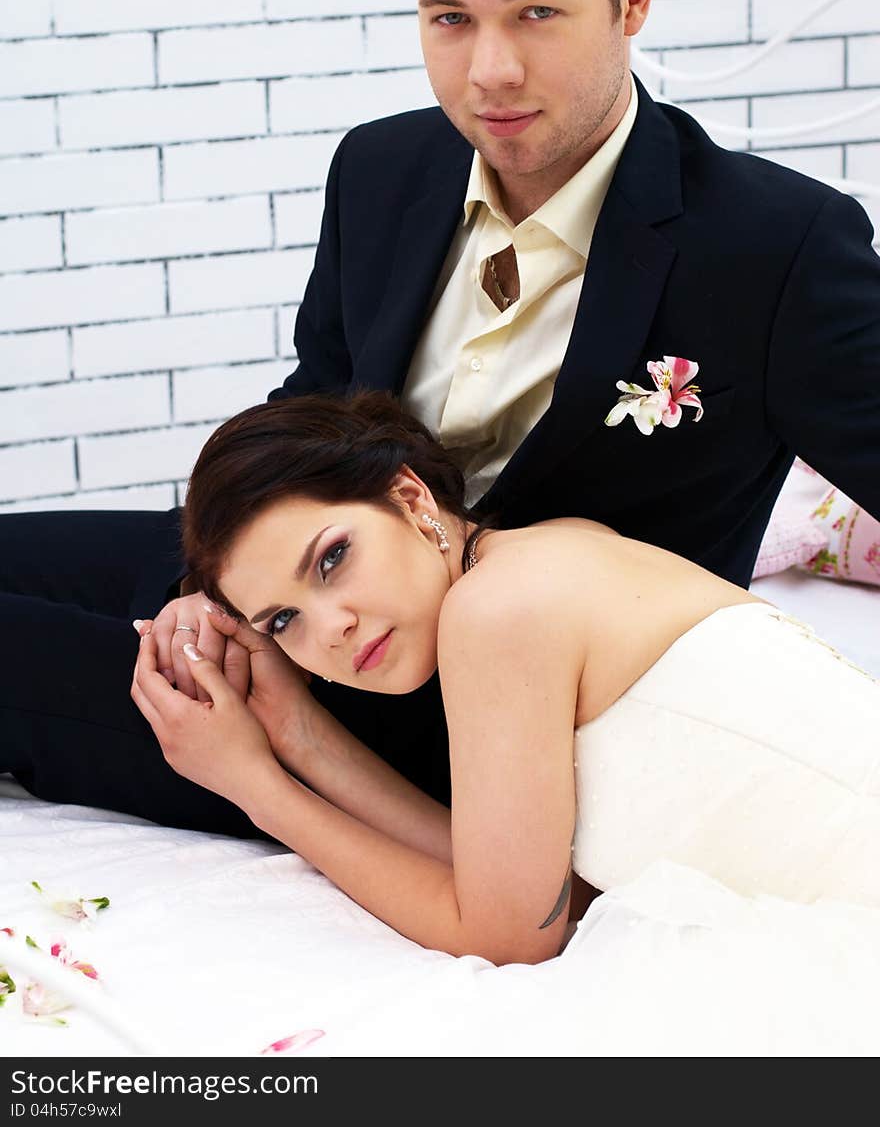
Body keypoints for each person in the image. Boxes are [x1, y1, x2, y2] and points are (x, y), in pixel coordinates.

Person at [2, 0, 879, 828]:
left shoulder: (774, 245)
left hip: (462, 715)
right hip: (305, 588)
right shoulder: (381, 168)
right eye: (449, 19)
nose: (489, 71)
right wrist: (218, 583)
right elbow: (315, 403)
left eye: (536, 12)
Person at [130, 393, 880, 966]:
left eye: (332, 558)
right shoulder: (548, 550)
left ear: (411, 497)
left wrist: (254, 786)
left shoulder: (496, 613)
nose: (331, 627)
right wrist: (295, 733)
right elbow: (541, 892)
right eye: (283, 621)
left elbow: (506, 938)